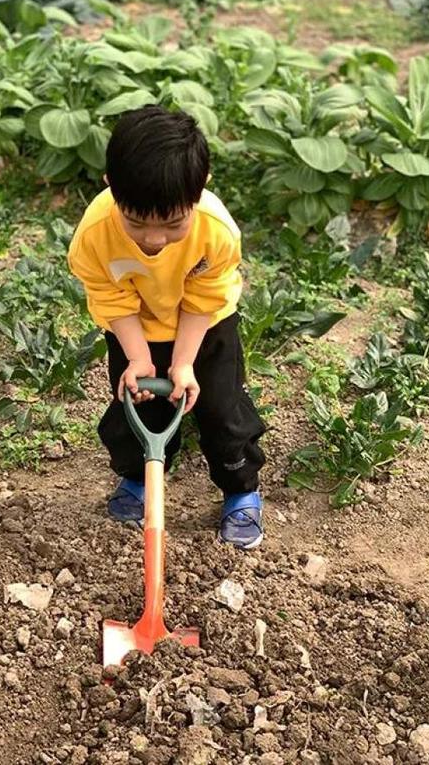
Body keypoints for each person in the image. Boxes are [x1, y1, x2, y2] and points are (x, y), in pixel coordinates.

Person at [67, 105, 266, 549]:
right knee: (135, 407)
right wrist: (138, 357)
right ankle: (139, 480)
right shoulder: (96, 233)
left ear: (200, 190)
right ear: (111, 188)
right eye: (136, 223)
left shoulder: (214, 231)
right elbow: (110, 296)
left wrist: (183, 363)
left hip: (205, 326)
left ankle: (241, 490)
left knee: (220, 409)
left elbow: (203, 298)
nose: (154, 239)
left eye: (173, 225)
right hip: (133, 326)